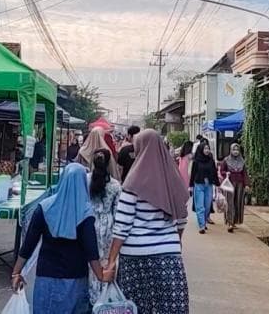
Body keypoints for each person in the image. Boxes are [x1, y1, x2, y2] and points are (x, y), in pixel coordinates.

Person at [104, 130, 190, 314]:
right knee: (168, 308)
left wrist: (111, 261)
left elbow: (122, 227)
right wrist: (174, 240)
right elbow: (182, 219)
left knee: (137, 308)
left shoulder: (132, 182)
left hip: (135, 258)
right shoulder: (173, 180)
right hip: (168, 255)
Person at [12, 164, 105, 313]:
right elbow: (91, 251)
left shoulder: (44, 208)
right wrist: (101, 275)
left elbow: (28, 244)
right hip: (75, 281)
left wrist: (16, 273)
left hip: (46, 279)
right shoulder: (85, 212)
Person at [86, 149, 121, 306]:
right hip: (108, 227)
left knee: (90, 262)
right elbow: (117, 212)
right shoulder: (115, 185)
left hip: (89, 224)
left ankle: (91, 298)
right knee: (106, 262)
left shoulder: (85, 180)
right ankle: (105, 299)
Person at [219, 143, 250, 233]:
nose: (236, 152)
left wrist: (247, 184)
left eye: (237, 150)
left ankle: (235, 221)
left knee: (238, 203)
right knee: (230, 203)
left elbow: (245, 174)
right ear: (230, 150)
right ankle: (230, 222)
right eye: (234, 150)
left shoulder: (242, 161)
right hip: (230, 184)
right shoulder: (226, 160)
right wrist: (226, 173)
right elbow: (221, 171)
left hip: (240, 184)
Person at [189, 142, 219, 234]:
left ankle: (204, 221)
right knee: (200, 206)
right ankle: (202, 226)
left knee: (207, 206)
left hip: (208, 185)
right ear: (201, 149)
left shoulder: (211, 160)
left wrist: (217, 184)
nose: (207, 150)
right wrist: (190, 186)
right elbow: (193, 174)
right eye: (205, 148)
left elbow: (214, 173)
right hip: (199, 184)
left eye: (208, 148)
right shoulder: (196, 161)